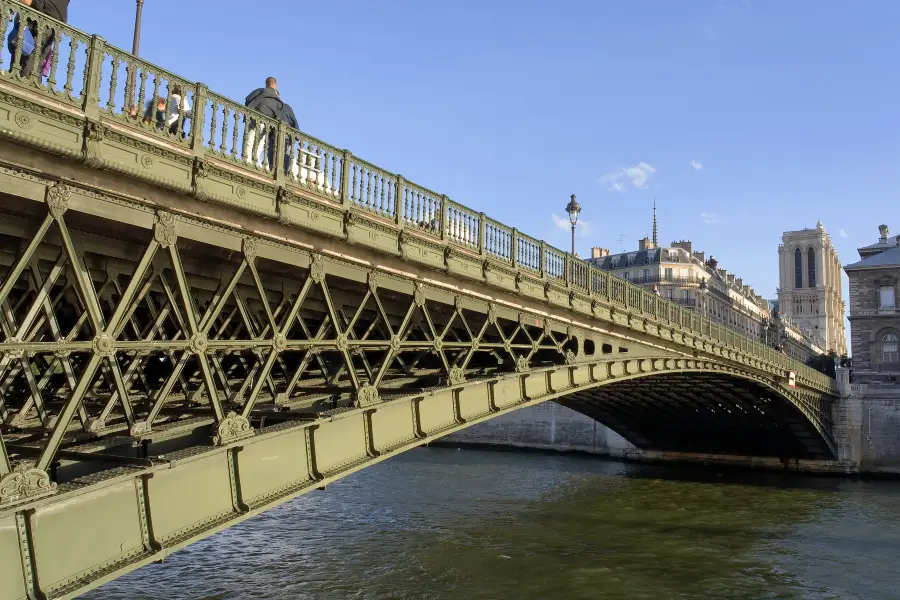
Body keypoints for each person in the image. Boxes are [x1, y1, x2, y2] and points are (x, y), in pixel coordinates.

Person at [243, 77, 298, 172]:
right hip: (269, 127)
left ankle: (246, 160)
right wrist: (296, 136)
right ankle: (253, 161)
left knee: (250, 139)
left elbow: (248, 99)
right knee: (260, 144)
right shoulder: (281, 104)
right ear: (275, 86)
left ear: (266, 83)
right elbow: (291, 121)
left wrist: (247, 112)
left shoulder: (261, 91)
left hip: (257, 120)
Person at [7, 0, 69, 78]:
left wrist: (12, 7)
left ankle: (20, 84)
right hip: (54, 25)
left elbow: (27, 2)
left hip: (38, 20)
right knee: (36, 67)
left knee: (25, 63)